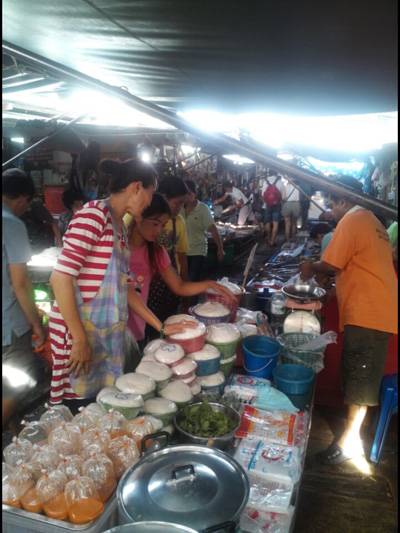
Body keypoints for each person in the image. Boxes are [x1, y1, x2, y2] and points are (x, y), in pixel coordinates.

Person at [48, 159, 195, 407]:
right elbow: (60, 277)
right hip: (79, 335)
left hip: (103, 336)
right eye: (150, 194)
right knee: (78, 410)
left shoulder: (119, 229)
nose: (150, 202)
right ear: (137, 187)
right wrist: (79, 338)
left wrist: (160, 327)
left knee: (100, 407)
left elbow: (124, 288)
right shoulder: (94, 215)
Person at [300, 175, 398, 465]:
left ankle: (348, 443)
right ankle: (350, 438)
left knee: (360, 383)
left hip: (370, 315)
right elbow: (358, 268)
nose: (332, 211)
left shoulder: (353, 220)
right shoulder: (372, 222)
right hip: (371, 311)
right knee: (357, 379)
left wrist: (309, 267)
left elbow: (331, 264)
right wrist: (331, 294)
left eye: (332, 204)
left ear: (343, 200)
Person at [127, 193, 235, 352]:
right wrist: (162, 327)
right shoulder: (117, 246)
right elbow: (126, 291)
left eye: (163, 225)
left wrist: (208, 284)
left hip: (137, 331)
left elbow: (179, 286)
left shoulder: (157, 252)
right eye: (155, 223)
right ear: (138, 216)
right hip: (111, 329)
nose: (159, 230)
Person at [2, 168, 47, 432]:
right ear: (23, 198)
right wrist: (37, 324)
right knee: (19, 380)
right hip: (9, 323)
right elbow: (20, 283)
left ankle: (15, 433)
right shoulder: (12, 224)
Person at [180, 180, 225, 299]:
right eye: (185, 195)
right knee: (182, 282)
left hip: (197, 252)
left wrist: (220, 249)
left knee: (193, 282)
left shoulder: (203, 209)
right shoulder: (178, 208)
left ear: (195, 193)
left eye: (189, 194)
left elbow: (213, 229)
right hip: (181, 252)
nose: (187, 198)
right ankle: (184, 306)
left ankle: (191, 309)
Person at [261, 170, 284, 246]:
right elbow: (282, 196)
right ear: (277, 173)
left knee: (267, 222)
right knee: (275, 223)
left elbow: (263, 194)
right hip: (277, 205)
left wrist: (265, 203)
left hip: (267, 205)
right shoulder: (280, 182)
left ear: (269, 174)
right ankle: (272, 241)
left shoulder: (265, 182)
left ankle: (268, 238)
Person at [281, 177, 301, 242]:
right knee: (294, 224)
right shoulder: (297, 187)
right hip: (295, 204)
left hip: (287, 204)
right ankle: (293, 238)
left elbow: (283, 197)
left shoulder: (285, 187)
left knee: (287, 224)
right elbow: (299, 198)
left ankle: (287, 240)